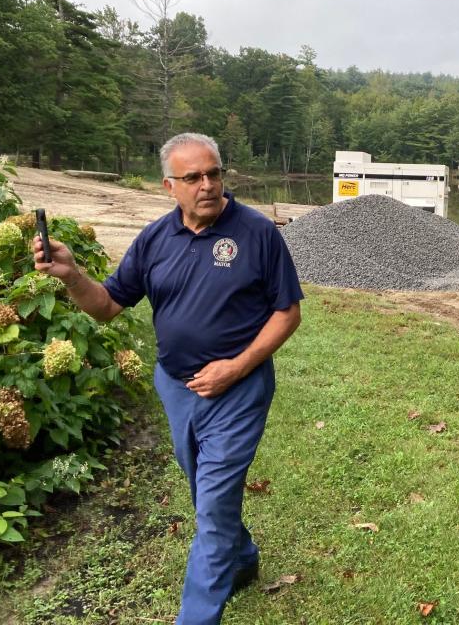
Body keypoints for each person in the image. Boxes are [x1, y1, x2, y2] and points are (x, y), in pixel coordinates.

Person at [33, 133, 303, 625]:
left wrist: (237, 367)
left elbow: (287, 313)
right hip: (176, 388)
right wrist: (72, 276)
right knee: (205, 490)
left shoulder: (257, 233)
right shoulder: (155, 239)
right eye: (193, 177)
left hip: (239, 391)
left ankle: (197, 615)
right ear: (168, 185)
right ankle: (240, 559)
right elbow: (108, 307)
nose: (208, 184)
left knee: (215, 500)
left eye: (214, 173)